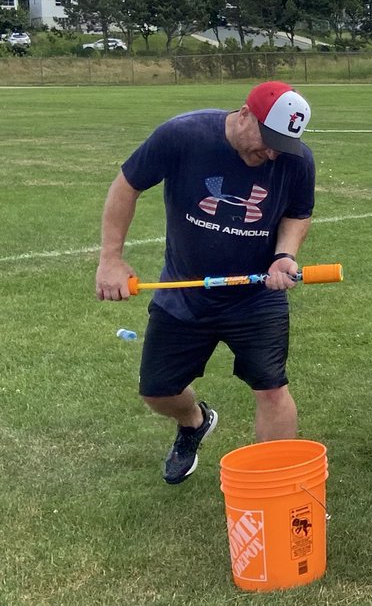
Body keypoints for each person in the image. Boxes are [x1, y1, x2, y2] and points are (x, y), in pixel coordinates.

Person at [94, 81, 316, 484]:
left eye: (281, 146)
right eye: (268, 140)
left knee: (271, 388)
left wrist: (285, 255)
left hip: (255, 296)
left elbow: (298, 212)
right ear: (245, 113)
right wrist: (110, 258)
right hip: (184, 291)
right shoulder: (184, 135)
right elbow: (127, 185)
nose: (271, 153)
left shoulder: (296, 161)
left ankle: (275, 488)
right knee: (157, 391)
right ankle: (194, 422)